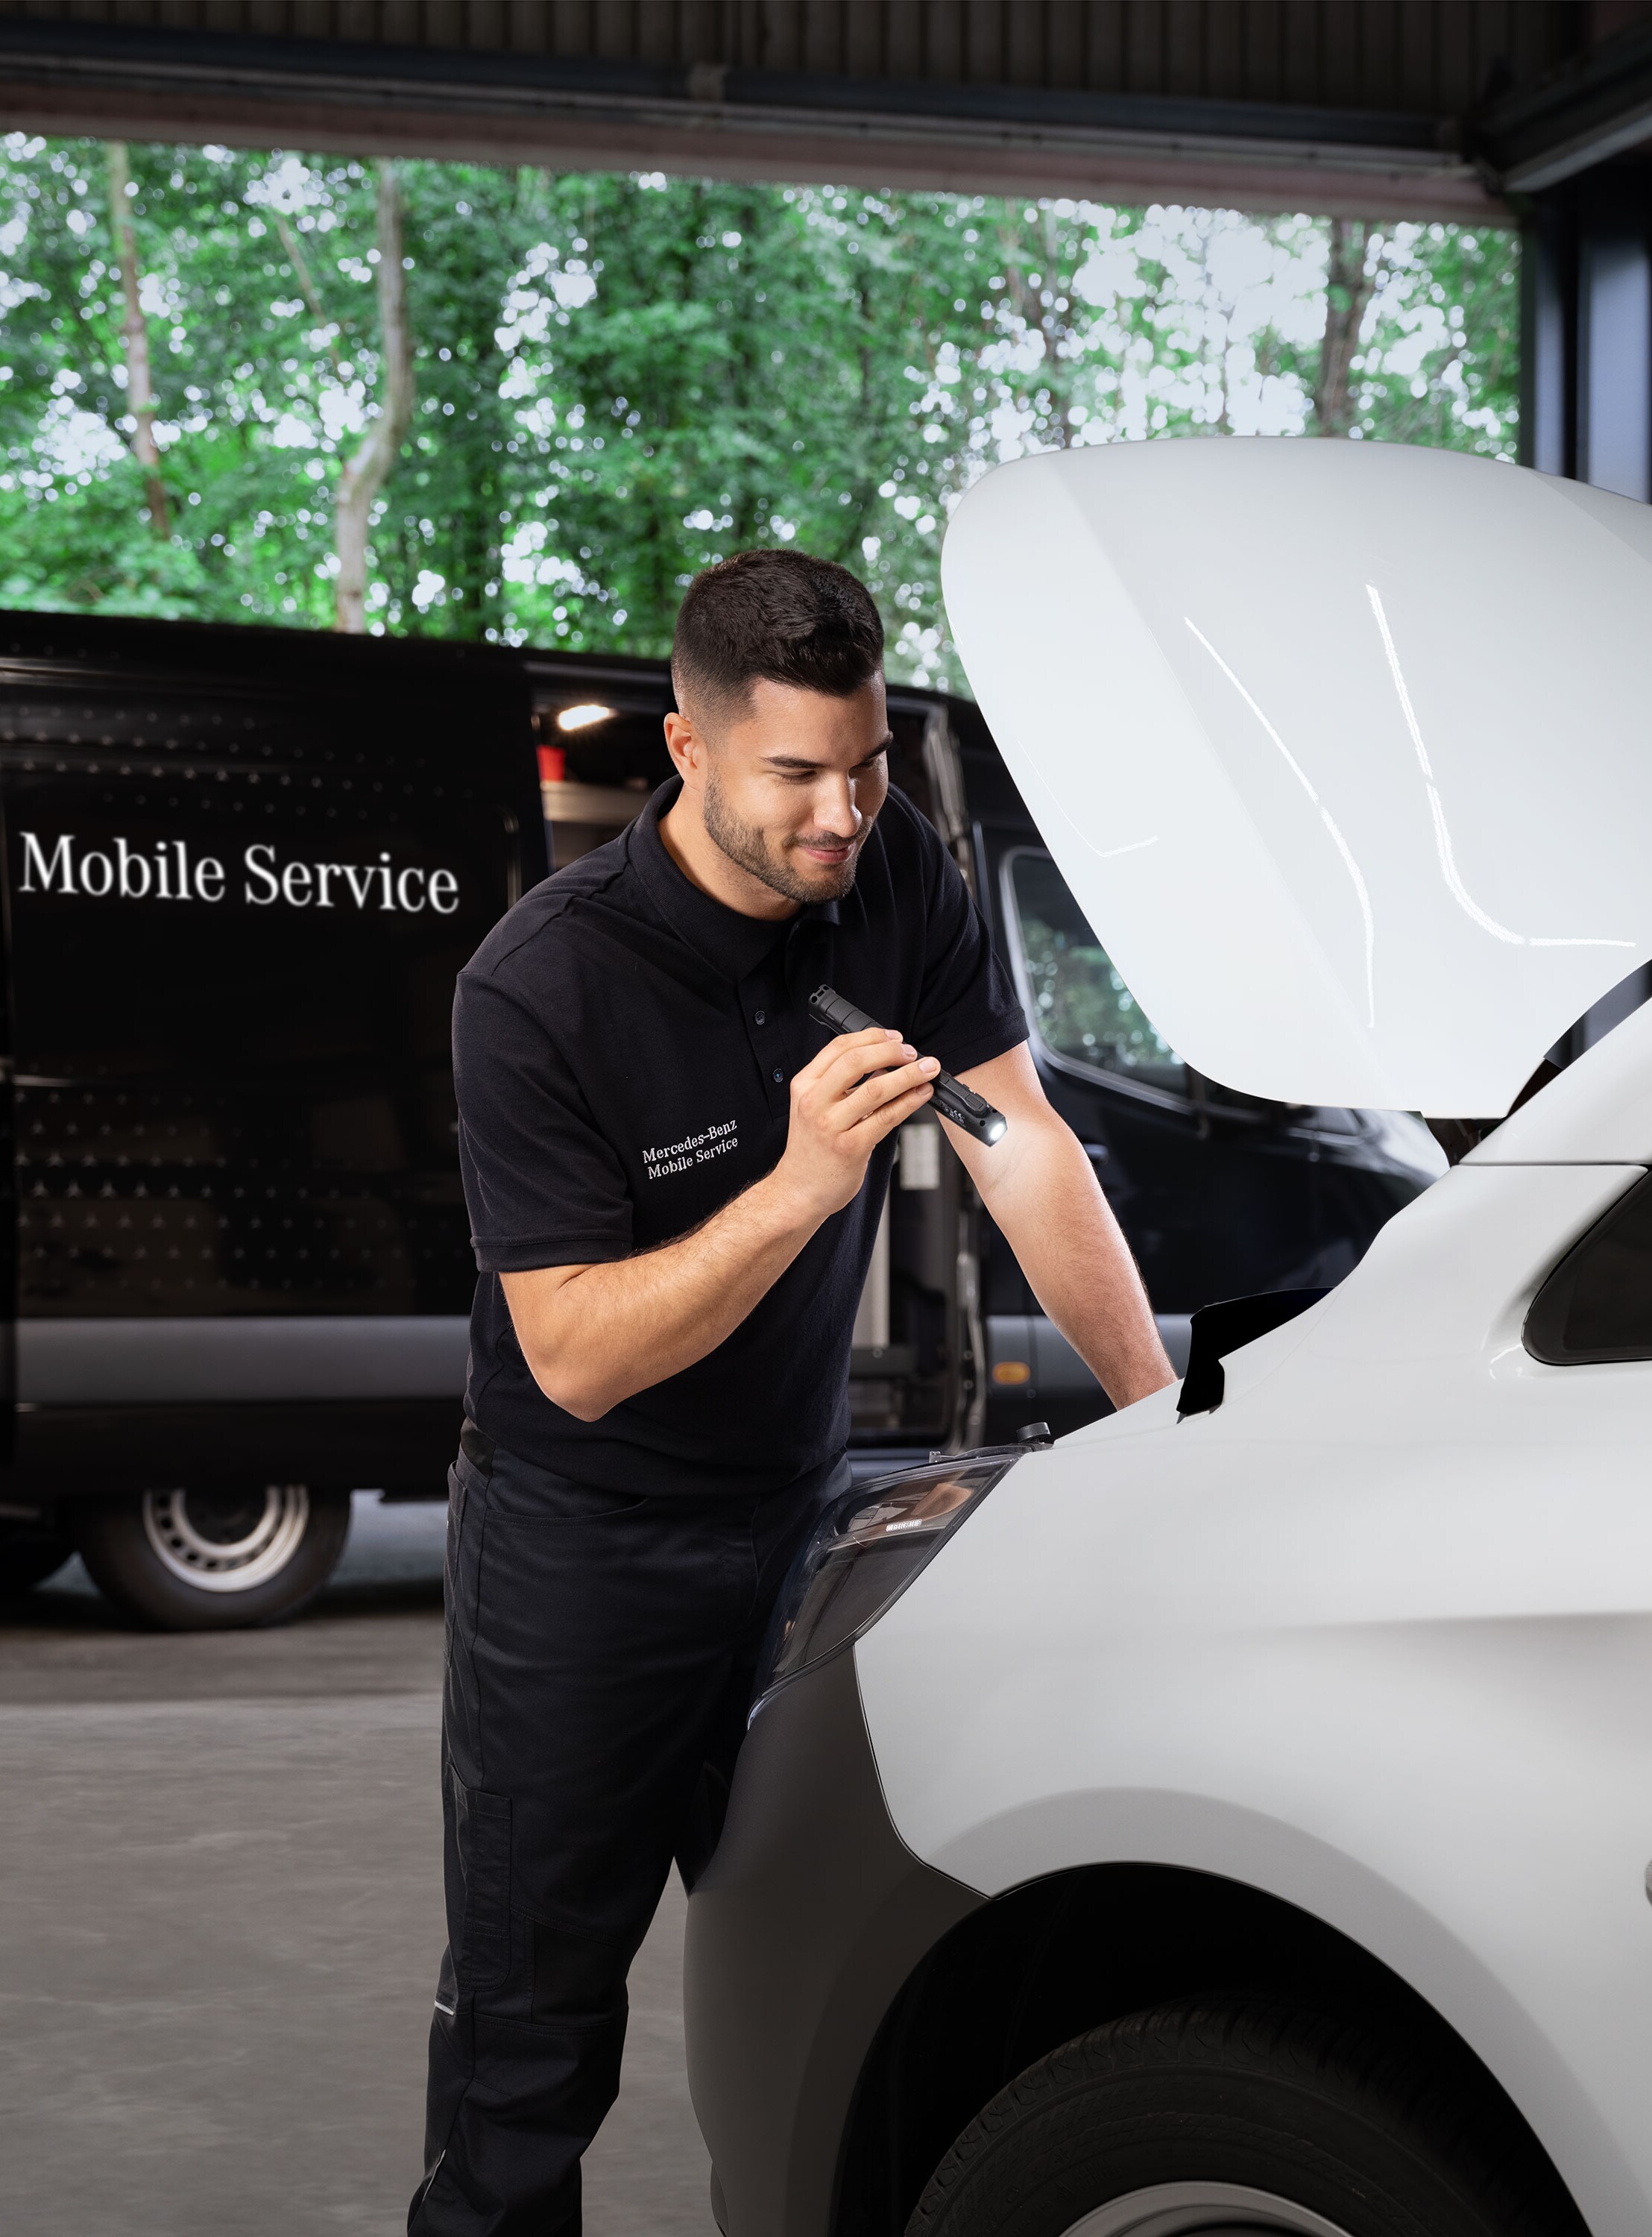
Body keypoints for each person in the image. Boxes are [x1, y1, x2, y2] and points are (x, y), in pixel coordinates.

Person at [410, 549, 1174, 2235]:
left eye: (871, 761)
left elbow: (1019, 1140)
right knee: (535, 2029)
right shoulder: (539, 989)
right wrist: (798, 1181)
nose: (845, 813)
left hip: (802, 1520)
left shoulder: (894, 868)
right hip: (582, 1549)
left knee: (840, 1978)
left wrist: (1159, 1422)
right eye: (799, 776)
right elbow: (579, 1355)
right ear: (689, 753)